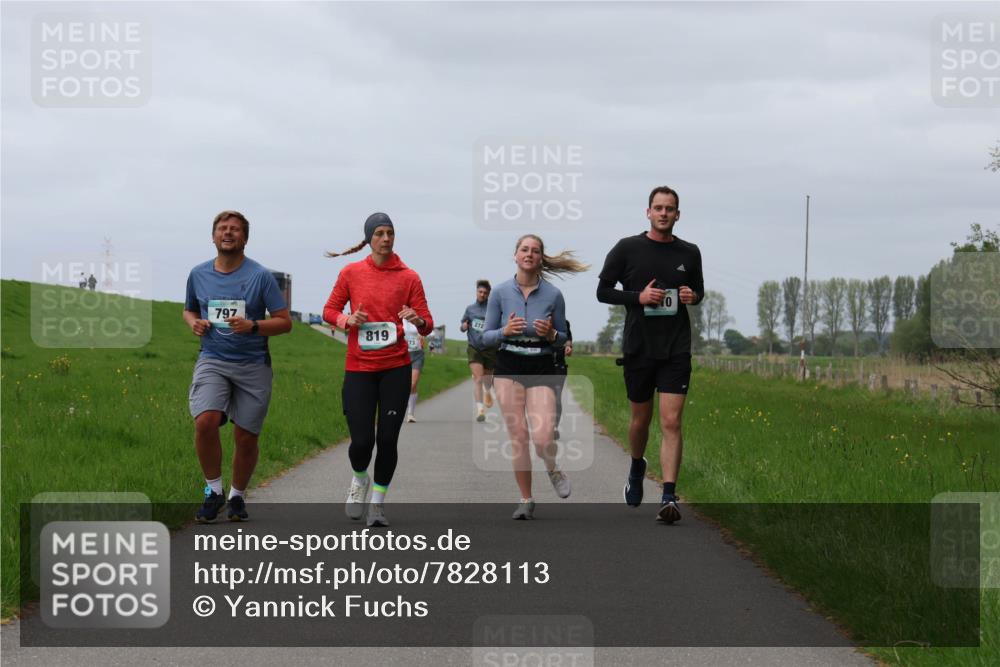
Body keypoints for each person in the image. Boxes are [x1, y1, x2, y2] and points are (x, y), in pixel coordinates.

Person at [597, 185, 704, 523]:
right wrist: (638, 298)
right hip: (639, 347)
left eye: (669, 208)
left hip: (676, 348)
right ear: (648, 212)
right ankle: (636, 466)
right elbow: (603, 292)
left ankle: (669, 496)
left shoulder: (690, 252)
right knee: (640, 421)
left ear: (677, 214)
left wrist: (692, 296)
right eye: (658, 208)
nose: (663, 213)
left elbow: (698, 291)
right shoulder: (627, 248)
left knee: (671, 421)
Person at [324, 212, 433, 528]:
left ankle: (377, 504)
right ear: (369, 238)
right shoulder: (351, 273)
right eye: (380, 233)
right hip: (359, 368)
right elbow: (329, 310)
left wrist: (416, 319)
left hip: (395, 368)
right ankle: (360, 478)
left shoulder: (409, 277)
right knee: (361, 442)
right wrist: (347, 320)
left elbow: (427, 323)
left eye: (390, 233)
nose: (386, 238)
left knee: (387, 439)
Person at [184, 210, 292, 523]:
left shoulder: (260, 276)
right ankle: (213, 492)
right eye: (222, 228)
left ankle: (237, 496)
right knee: (205, 421)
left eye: (234, 229)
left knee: (246, 437)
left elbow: (284, 322)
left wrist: (253, 326)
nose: (228, 233)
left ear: (245, 238)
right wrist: (194, 323)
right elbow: (189, 310)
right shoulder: (198, 274)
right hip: (213, 359)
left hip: (253, 364)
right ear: (213, 236)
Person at [482, 235, 588, 519]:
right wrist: (504, 331)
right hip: (508, 366)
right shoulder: (499, 293)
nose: (529, 254)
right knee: (518, 436)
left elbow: (563, 338)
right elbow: (485, 337)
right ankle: (526, 499)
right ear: (515, 255)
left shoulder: (554, 295)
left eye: (535, 251)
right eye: (524, 249)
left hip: (541, 366)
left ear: (541, 258)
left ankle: (552, 468)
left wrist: (552, 334)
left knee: (542, 438)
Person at [461, 280, 496, 422]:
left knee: (487, 379)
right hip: (474, 347)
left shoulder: (493, 310)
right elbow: (462, 325)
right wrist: (463, 326)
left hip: (489, 348)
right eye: (480, 292)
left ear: (488, 294)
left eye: (485, 293)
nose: (482, 294)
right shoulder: (470, 309)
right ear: (476, 292)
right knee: (478, 378)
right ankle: (480, 410)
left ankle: (488, 391)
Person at [552, 320, 573, 441]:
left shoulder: (564, 323)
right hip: (540, 366)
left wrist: (568, 347)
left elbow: (568, 340)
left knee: (556, 397)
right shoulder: (537, 320)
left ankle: (554, 427)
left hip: (559, 366)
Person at [403, 318, 425, 423]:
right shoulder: (399, 318)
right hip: (402, 354)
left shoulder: (417, 317)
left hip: (417, 354)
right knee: (401, 385)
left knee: (413, 384)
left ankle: (410, 414)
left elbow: (427, 329)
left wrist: (422, 335)